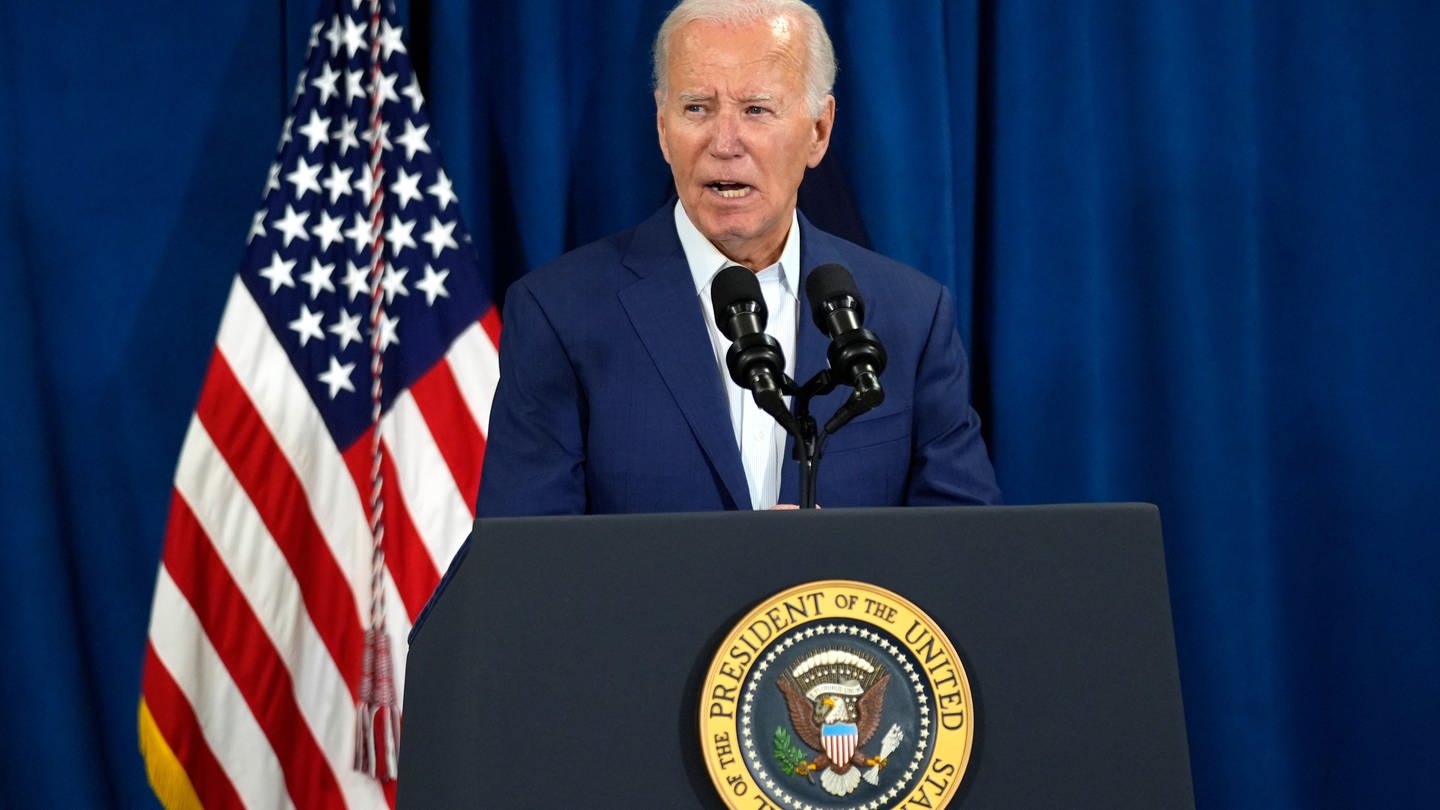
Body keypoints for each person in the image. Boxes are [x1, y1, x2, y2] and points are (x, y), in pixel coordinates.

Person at [476, 0, 1001, 516]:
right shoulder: (560, 314)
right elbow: (531, 570)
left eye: (756, 109)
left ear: (818, 130)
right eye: (696, 108)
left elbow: (961, 557)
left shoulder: (911, 316)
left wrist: (836, 569)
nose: (725, 143)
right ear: (663, 128)